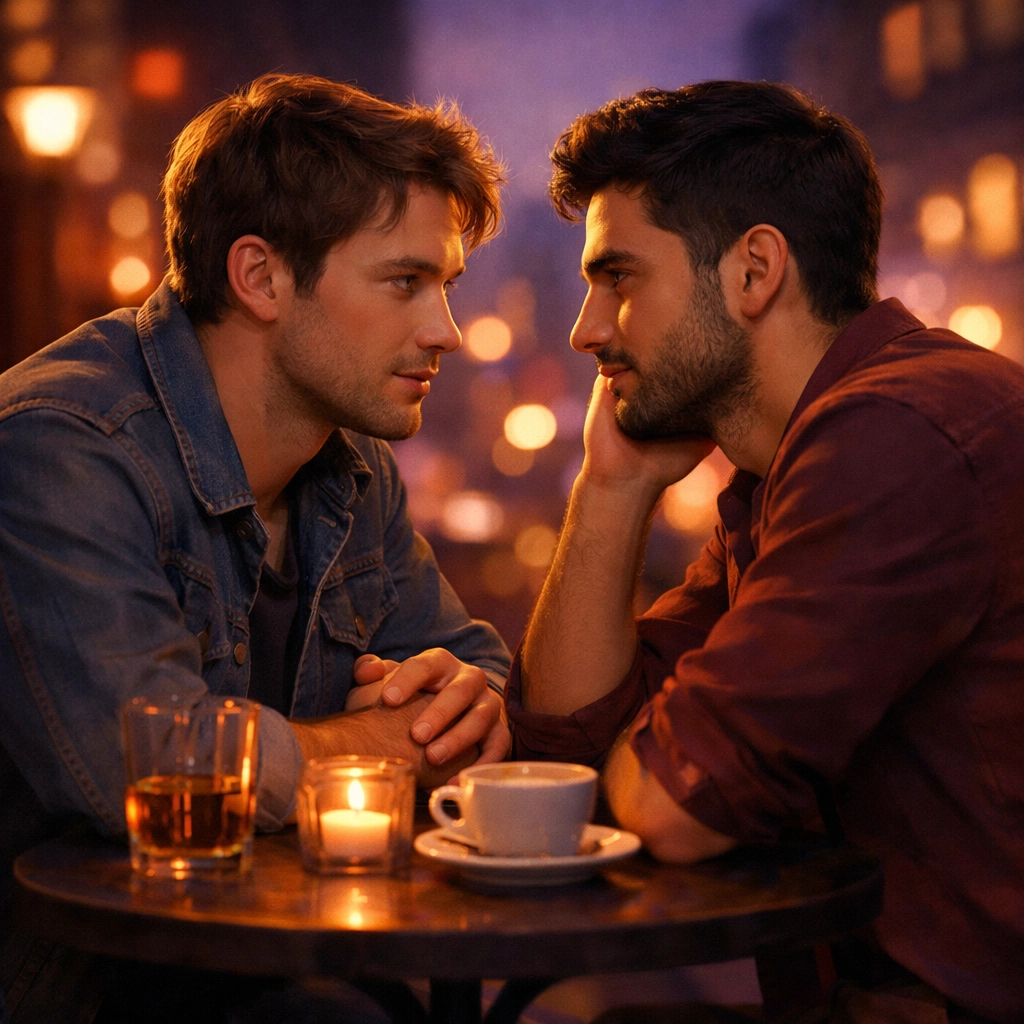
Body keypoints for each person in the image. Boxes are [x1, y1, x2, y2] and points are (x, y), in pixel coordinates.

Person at [506, 81, 1024, 1024]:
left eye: (617, 278)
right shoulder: (787, 471)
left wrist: (658, 756)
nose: (586, 330)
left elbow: (671, 807)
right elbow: (569, 762)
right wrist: (611, 487)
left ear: (754, 271)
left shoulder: (894, 435)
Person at [0, 73, 510, 1022]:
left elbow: (474, 671)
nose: (445, 332)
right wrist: (388, 743)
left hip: (292, 959)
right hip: (80, 986)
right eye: (405, 281)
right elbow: (147, 771)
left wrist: (458, 704)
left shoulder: (351, 462)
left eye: (445, 286)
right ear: (260, 276)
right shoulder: (61, 444)